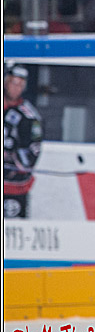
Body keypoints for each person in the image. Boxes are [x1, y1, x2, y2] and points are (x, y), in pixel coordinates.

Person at [3, 62, 42, 219]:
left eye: (20, 84)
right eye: (13, 82)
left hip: (12, 186)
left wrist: (10, 157)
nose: (16, 88)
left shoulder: (29, 117)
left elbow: (33, 151)